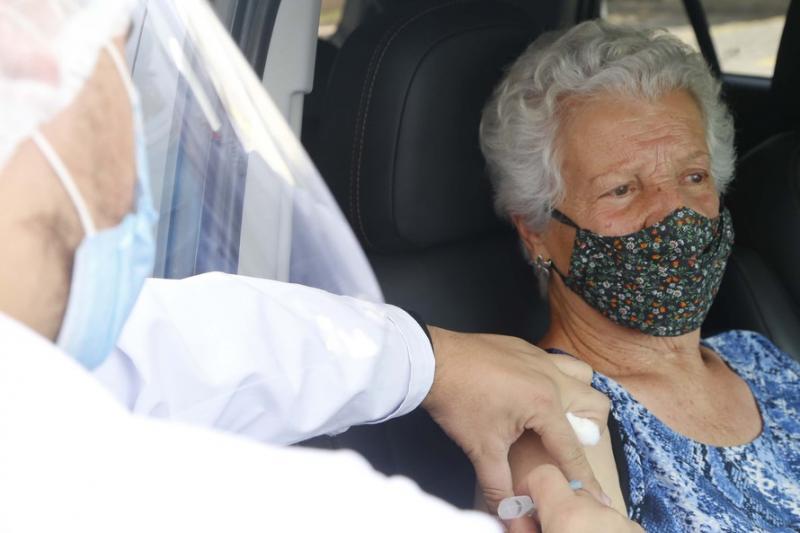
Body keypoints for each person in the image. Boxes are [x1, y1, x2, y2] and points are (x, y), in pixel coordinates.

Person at [0, 1, 642, 531]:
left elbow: (177, 344)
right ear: (32, 61)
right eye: (122, 64)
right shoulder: (105, 486)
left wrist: (429, 360)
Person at [480, 19, 800, 531]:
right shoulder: (554, 419)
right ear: (536, 231)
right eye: (622, 189)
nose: (675, 213)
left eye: (693, 176)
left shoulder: (756, 355)